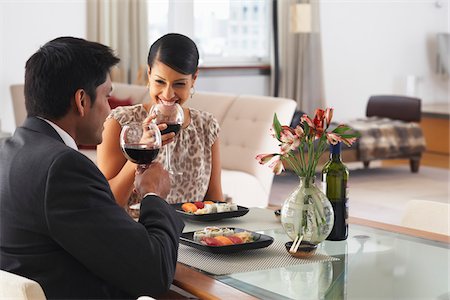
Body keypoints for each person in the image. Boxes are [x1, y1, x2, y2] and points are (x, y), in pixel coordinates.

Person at [0, 37, 185, 299]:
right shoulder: (63, 168)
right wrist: (153, 195)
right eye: (107, 96)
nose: (109, 109)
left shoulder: (9, 152)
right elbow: (154, 275)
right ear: (81, 101)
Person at [97, 33, 223, 208]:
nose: (168, 94)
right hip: (139, 232)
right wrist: (139, 156)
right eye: (159, 82)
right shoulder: (120, 122)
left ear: (194, 79)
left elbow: (215, 202)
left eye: (179, 84)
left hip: (188, 234)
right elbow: (106, 204)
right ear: (149, 74)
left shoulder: (207, 126)